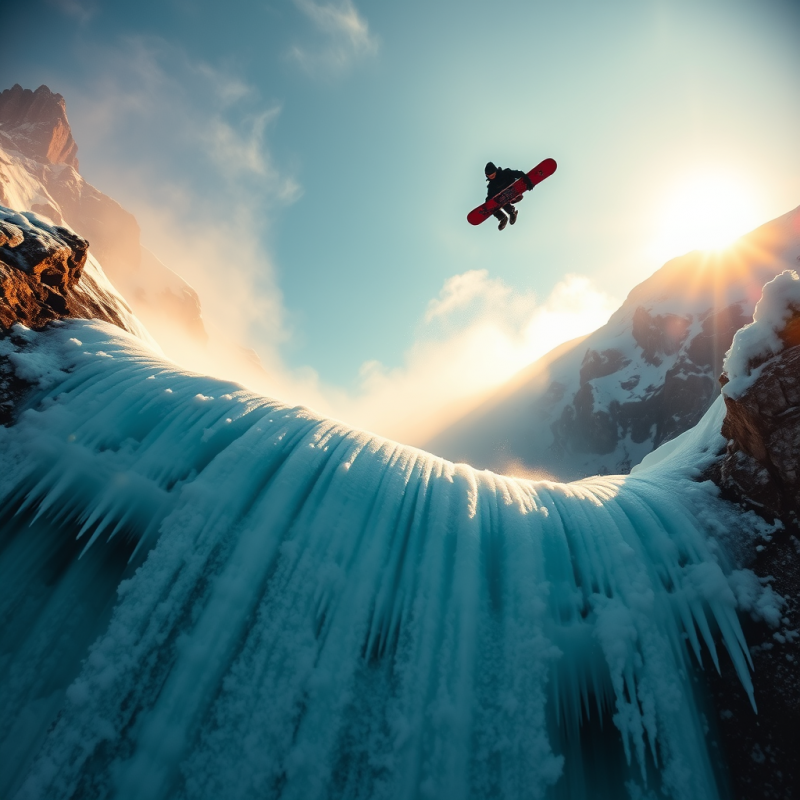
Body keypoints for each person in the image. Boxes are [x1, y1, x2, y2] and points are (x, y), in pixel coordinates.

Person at [484, 161, 534, 231]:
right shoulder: (491, 186)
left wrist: (528, 181)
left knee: (503, 197)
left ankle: (512, 212)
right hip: (504, 199)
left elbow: (520, 174)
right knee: (497, 201)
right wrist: (486, 206)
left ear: (495, 171)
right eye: (489, 175)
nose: (491, 176)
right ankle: (503, 217)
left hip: (514, 193)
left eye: (492, 174)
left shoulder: (506, 173)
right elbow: (490, 199)